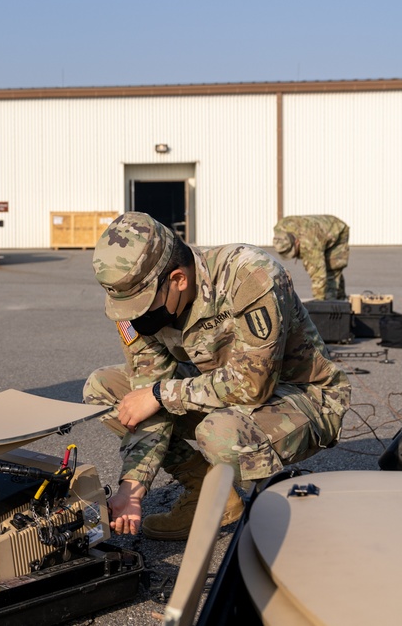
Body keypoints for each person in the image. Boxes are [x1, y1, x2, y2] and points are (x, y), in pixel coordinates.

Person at [83, 212, 349, 540]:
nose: (136, 318)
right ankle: (207, 494)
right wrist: (132, 488)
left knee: (219, 432)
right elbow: (145, 396)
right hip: (217, 392)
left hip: (301, 396)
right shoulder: (138, 305)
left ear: (178, 279)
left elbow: (252, 385)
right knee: (105, 389)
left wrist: (160, 394)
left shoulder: (248, 274)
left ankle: (274, 516)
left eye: (143, 306)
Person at [272, 214, 350, 300]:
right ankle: (341, 300)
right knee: (331, 272)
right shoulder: (279, 229)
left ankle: (333, 304)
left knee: (332, 271)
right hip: (318, 231)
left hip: (337, 231)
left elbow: (318, 276)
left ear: (297, 242)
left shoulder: (309, 244)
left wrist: (318, 303)